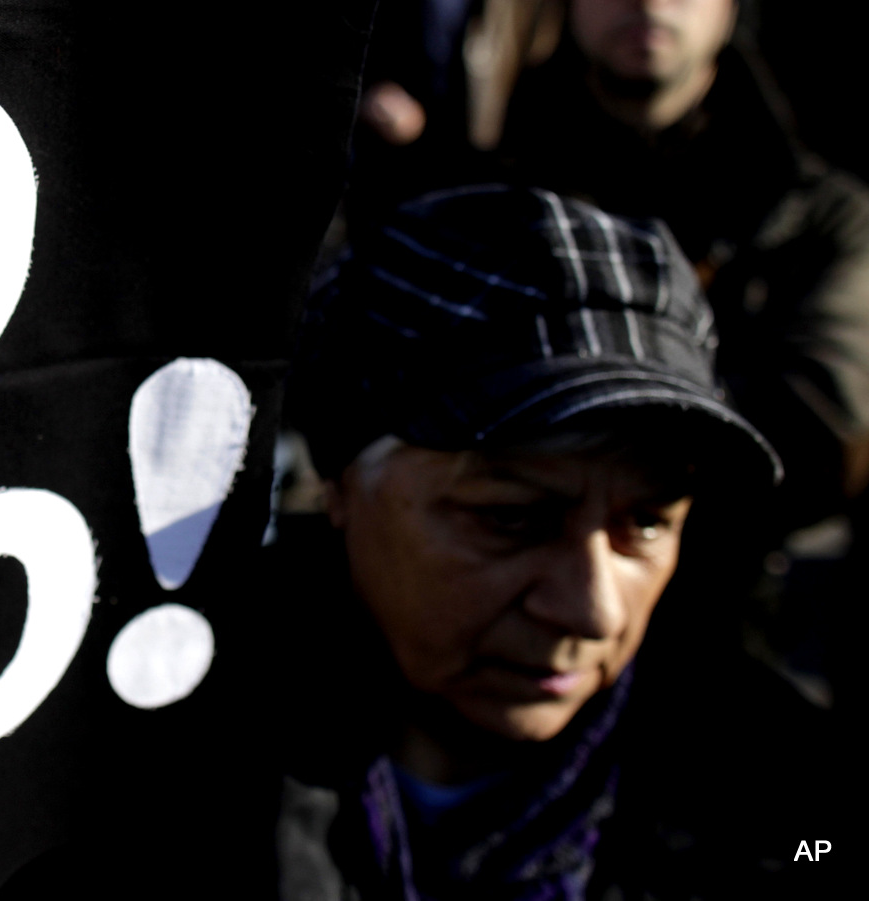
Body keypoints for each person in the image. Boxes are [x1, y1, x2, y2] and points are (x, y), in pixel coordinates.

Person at [271, 185, 840, 899]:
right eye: (511, 518)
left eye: (648, 523)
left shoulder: (789, 809)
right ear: (342, 486)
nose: (593, 611)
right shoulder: (139, 762)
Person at [496, 0, 869, 711]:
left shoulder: (824, 216)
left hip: (745, 641)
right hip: (501, 638)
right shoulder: (481, 189)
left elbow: (818, 437)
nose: (649, 2)